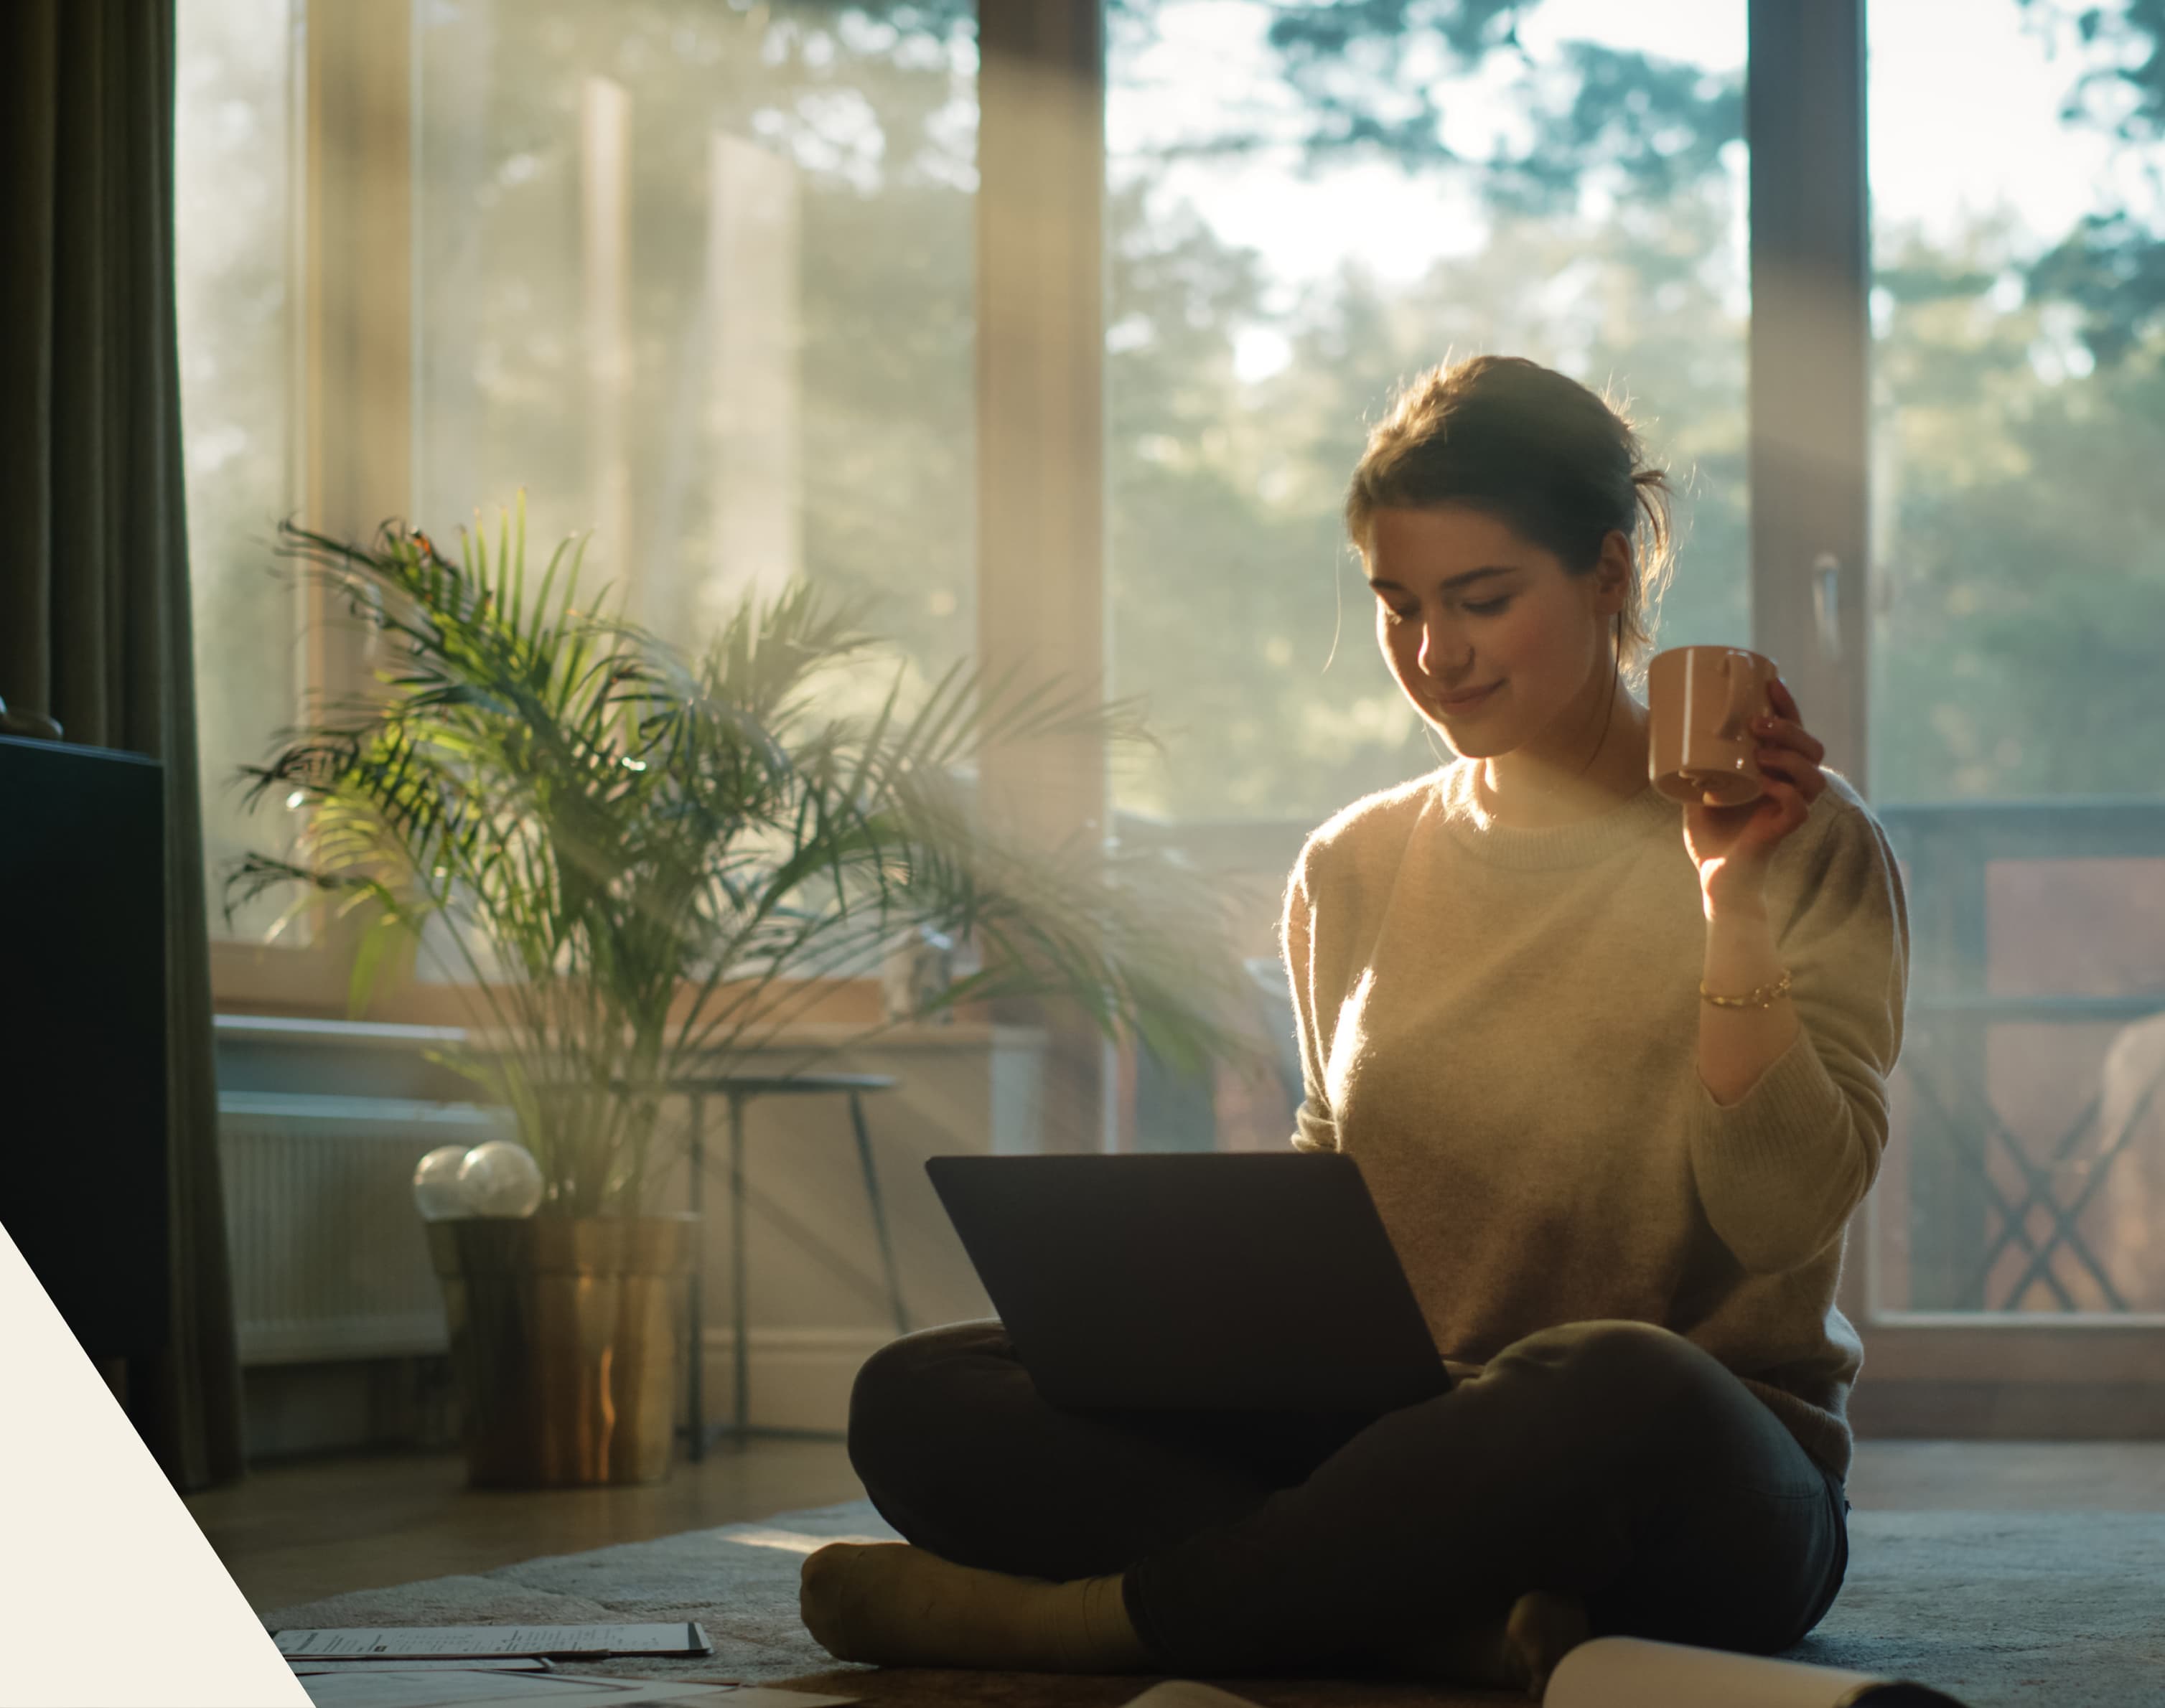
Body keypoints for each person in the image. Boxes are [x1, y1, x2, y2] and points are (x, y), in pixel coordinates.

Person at [797, 354, 1909, 1694]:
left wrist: (1727, 905)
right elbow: (1334, 1187)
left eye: (1482, 601)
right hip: (1382, 1438)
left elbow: (1780, 1217)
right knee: (919, 1397)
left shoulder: (1802, 843)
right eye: (1399, 607)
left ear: (1610, 575)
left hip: (1681, 1474)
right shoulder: (1355, 864)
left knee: (1620, 1382)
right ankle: (1434, 1620)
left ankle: (1107, 1624)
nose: (1435, 656)